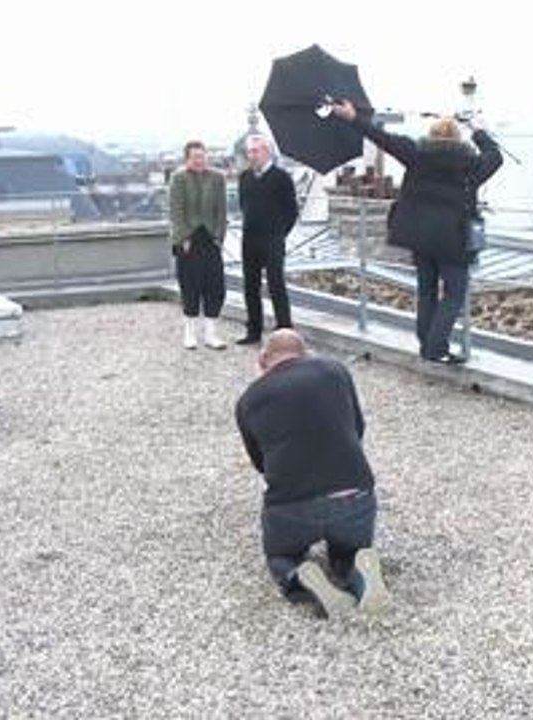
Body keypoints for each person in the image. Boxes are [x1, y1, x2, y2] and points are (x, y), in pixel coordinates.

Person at [331, 99, 503, 364]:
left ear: (431, 136)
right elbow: (495, 156)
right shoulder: (470, 165)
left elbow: (381, 137)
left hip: (420, 237)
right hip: (454, 240)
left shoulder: (416, 153)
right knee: (456, 292)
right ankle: (436, 347)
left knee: (427, 291)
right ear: (459, 138)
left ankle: (427, 345)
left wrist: (353, 117)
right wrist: (478, 130)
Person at [235, 329, 390, 619]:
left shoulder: (248, 401)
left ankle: (300, 576)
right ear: (305, 354)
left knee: (281, 555)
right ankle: (357, 570)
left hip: (292, 504)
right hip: (354, 495)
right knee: (346, 553)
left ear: (262, 359)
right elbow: (357, 429)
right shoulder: (335, 371)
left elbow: (261, 464)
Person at [236, 135, 299, 345]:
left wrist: (279, 234)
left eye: (256, 151)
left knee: (276, 285)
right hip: (249, 238)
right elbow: (244, 206)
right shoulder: (244, 177)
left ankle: (285, 331)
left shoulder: (281, 178)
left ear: (267, 151)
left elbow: (292, 211)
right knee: (250, 286)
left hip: (272, 239)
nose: (252, 156)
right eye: (250, 152)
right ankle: (253, 331)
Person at [168, 140, 228, 350]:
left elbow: (222, 210)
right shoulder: (179, 178)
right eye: (195, 157)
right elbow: (176, 211)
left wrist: (220, 237)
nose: (200, 160)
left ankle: (211, 334)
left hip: (210, 238)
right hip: (188, 239)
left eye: (202, 156)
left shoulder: (218, 178)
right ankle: (190, 333)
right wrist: (184, 237)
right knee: (190, 286)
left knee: (215, 286)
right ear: (187, 159)